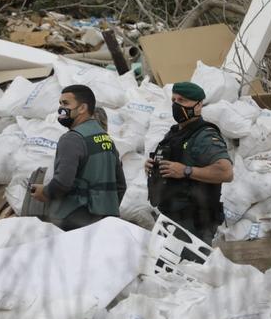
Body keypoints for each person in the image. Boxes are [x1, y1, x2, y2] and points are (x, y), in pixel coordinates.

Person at [146, 82, 233, 244]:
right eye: (174, 100)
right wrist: (153, 167)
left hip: (194, 225)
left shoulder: (204, 136)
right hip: (170, 220)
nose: (177, 105)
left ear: (198, 105)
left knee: (190, 269)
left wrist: (186, 171)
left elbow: (226, 172)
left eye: (183, 100)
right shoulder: (174, 133)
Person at [31, 85, 126, 230]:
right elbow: (120, 185)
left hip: (73, 219)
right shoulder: (106, 139)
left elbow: (62, 183)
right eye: (60, 104)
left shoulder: (72, 139)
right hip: (105, 221)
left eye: (66, 104)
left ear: (82, 108)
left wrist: (44, 192)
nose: (61, 109)